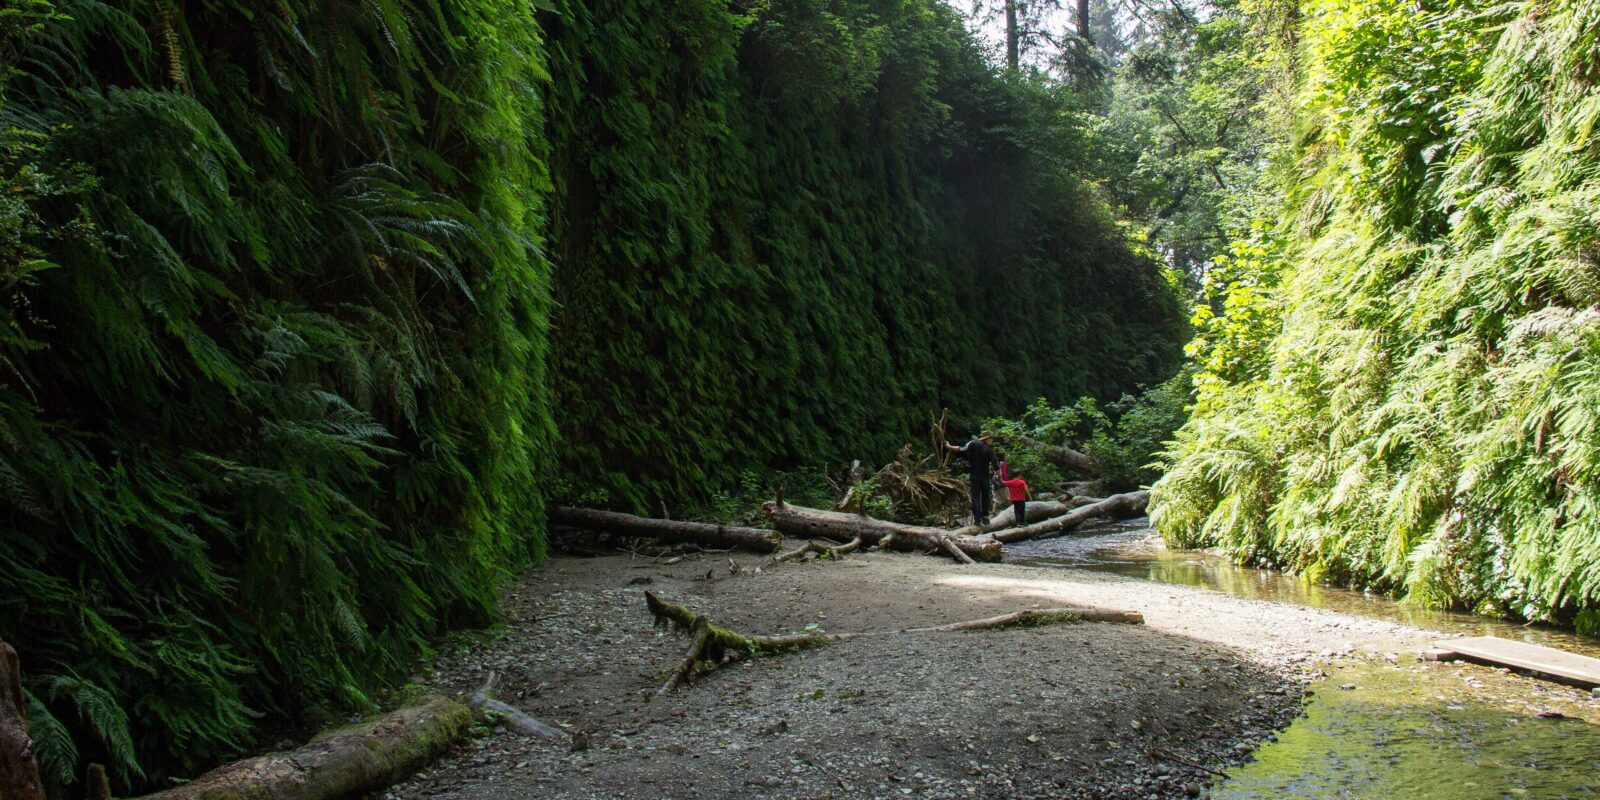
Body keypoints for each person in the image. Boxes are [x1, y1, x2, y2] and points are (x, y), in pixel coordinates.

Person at [945, 431, 999, 525]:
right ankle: (985, 517)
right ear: (987, 439)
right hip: (985, 477)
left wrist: (949, 447)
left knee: (976, 497)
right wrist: (999, 476)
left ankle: (977, 520)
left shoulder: (973, 443)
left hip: (974, 476)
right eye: (991, 439)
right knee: (985, 496)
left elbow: (960, 449)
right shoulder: (989, 450)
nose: (992, 441)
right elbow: (995, 464)